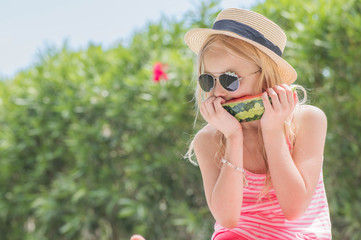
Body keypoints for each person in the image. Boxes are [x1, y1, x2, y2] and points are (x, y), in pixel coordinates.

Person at [184, 8, 332, 240]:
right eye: (207, 80)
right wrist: (233, 137)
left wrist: (272, 131)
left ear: (266, 76)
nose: (218, 91)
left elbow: (294, 209)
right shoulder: (209, 139)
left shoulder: (308, 120)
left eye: (229, 79)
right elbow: (227, 219)